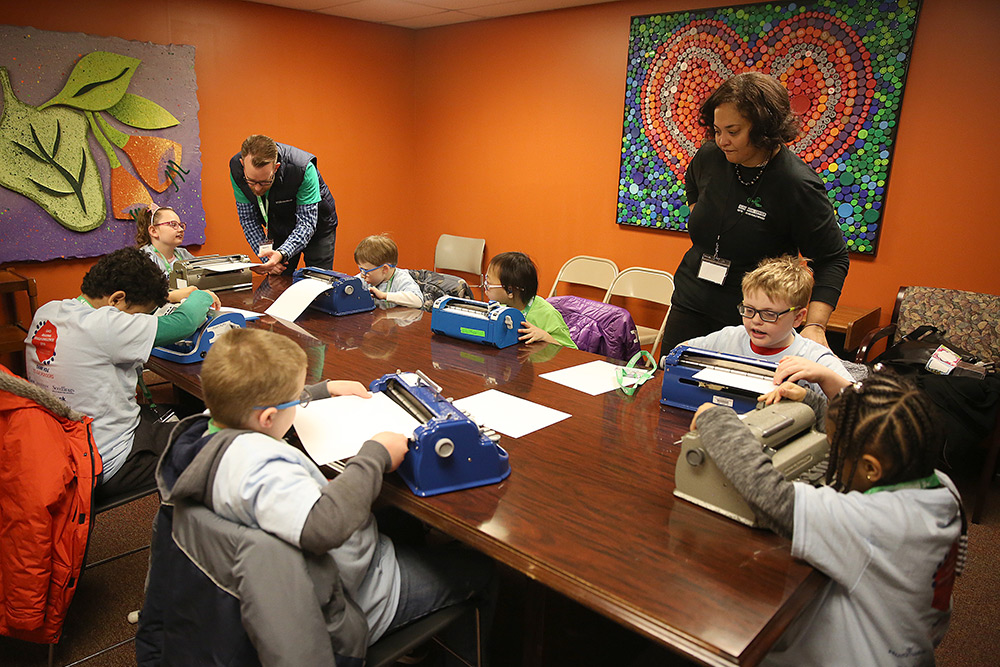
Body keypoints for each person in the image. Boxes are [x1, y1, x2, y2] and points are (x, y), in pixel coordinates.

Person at [153, 328, 494, 658]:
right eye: (296, 400)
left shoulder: (207, 433)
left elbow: (254, 403)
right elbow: (323, 525)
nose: (299, 403)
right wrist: (374, 454)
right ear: (268, 418)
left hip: (303, 577)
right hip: (349, 600)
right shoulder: (259, 466)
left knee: (401, 521)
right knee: (483, 568)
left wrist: (321, 391)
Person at [690, 366, 964, 665]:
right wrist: (813, 403)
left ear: (871, 469)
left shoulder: (871, 523)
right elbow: (864, 436)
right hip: (913, 644)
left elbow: (771, 496)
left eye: (835, 449)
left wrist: (715, 418)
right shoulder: (944, 488)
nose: (831, 452)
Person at [661, 72, 850, 352]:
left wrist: (815, 325)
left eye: (733, 131)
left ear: (764, 129)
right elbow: (692, 183)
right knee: (672, 375)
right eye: (717, 130)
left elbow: (832, 258)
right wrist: (708, 219)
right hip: (691, 301)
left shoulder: (795, 183)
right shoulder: (710, 156)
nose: (722, 140)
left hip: (756, 320)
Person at [23, 247, 220, 501]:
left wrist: (168, 296)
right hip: (109, 461)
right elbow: (184, 323)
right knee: (217, 435)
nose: (139, 321)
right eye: (140, 315)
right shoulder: (106, 325)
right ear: (116, 299)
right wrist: (202, 295)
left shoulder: (48, 312)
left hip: (62, 449)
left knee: (184, 413)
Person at [680, 255, 852, 396]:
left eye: (769, 314)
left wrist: (824, 376)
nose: (756, 320)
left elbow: (857, 404)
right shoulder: (728, 338)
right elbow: (679, 353)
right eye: (749, 310)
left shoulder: (813, 357)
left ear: (798, 317)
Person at [230, 134, 338, 276]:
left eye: (264, 182)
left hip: (317, 225)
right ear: (243, 165)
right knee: (277, 278)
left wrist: (283, 253)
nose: (257, 188)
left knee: (318, 279)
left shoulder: (302, 168)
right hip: (278, 223)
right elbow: (248, 220)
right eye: (251, 181)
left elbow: (306, 223)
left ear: (276, 168)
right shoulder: (236, 170)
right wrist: (268, 259)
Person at [484, 251, 577, 349]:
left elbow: (572, 352)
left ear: (510, 291)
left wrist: (546, 337)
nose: (485, 286)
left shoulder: (548, 315)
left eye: (489, 284)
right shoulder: (500, 307)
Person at [354, 234, 423, 309]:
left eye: (365, 271)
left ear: (385, 269)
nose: (362, 275)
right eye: (361, 270)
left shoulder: (401, 279)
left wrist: (384, 296)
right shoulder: (365, 278)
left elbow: (418, 301)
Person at [136, 205, 195, 275]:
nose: (181, 229)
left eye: (180, 225)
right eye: (173, 224)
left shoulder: (184, 254)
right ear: (153, 231)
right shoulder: (142, 259)